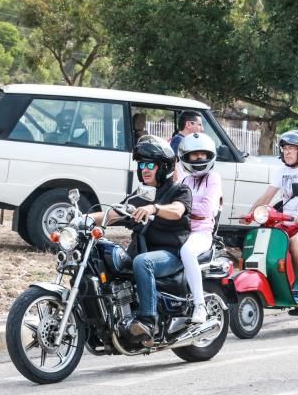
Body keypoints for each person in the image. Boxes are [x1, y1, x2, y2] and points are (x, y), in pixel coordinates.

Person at [90, 135, 192, 339]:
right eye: (142, 164)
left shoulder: (179, 190)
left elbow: (177, 211)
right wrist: (82, 218)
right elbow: (112, 214)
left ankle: (147, 321)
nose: (144, 169)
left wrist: (154, 208)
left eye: (150, 165)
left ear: (163, 167)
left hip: (170, 254)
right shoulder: (139, 196)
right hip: (140, 251)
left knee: (143, 262)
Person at [249, 130, 298, 304]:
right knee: (265, 238)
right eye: (284, 148)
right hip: (287, 223)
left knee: (296, 242)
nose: (287, 152)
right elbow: (266, 197)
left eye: (292, 148)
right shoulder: (281, 171)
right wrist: (251, 213)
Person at [176, 132, 223, 324]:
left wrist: (183, 207)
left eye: (203, 154)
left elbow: (206, 209)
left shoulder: (213, 177)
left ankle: (200, 305)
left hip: (201, 233)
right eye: (194, 155)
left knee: (187, 252)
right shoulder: (186, 180)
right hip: (182, 230)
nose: (199, 159)